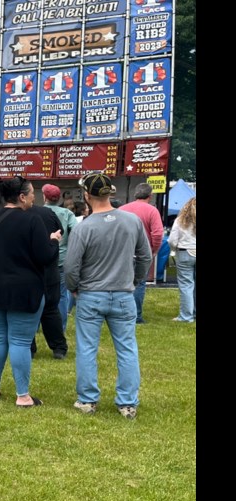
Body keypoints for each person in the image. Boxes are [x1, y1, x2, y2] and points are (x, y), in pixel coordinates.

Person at [64, 173, 152, 419]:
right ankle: (127, 403)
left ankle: (87, 400)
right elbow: (145, 256)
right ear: (110, 193)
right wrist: (134, 280)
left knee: (87, 349)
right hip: (123, 294)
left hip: (91, 295)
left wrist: (74, 288)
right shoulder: (132, 221)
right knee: (127, 348)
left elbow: (71, 266)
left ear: (86, 195)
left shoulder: (84, 227)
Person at [0, 177, 61, 408]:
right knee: (20, 342)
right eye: (32, 193)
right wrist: (53, 241)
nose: (34, 197)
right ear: (22, 197)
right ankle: (23, 396)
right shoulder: (32, 221)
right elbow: (45, 256)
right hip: (24, 290)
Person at [120, 183, 164, 324]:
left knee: (121, 284)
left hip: (122, 252)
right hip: (142, 253)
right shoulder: (152, 210)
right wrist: (154, 250)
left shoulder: (122, 209)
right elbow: (157, 234)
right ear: (150, 196)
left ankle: (120, 313)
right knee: (139, 284)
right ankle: (136, 316)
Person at [28, 204, 68, 359]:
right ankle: (59, 348)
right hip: (49, 268)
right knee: (51, 309)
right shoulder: (47, 213)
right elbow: (61, 231)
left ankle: (29, 348)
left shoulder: (17, 215)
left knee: (27, 310)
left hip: (28, 269)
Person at [42, 184, 79, 335]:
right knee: (62, 296)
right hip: (62, 259)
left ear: (44, 197)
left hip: (42, 259)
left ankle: (35, 325)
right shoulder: (67, 213)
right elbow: (76, 231)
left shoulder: (37, 212)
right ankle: (60, 328)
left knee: (39, 293)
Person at [168, 196, 196, 322]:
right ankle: (193, 312)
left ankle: (186, 316)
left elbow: (173, 239)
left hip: (185, 252)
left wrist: (174, 249)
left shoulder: (180, 220)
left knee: (186, 285)